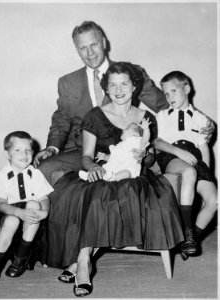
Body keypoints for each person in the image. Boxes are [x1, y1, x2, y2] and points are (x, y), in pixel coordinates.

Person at [47, 62, 185, 297]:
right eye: (112, 85)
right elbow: (87, 157)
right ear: (106, 89)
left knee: (114, 196)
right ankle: (83, 263)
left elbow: (150, 157)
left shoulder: (146, 118)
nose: (118, 90)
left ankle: (80, 263)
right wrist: (94, 169)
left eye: (124, 84)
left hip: (134, 176)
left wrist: (145, 155)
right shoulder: (95, 115)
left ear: (134, 87)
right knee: (95, 194)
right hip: (104, 171)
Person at [33, 20, 171, 184]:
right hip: (82, 151)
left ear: (104, 43)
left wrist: (197, 124)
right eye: (83, 48)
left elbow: (164, 105)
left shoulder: (129, 73)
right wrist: (51, 148)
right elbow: (61, 118)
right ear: (77, 50)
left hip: (123, 150)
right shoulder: (68, 82)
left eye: (94, 44)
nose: (89, 53)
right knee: (43, 169)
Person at [154, 71, 217, 260]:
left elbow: (203, 148)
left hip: (194, 158)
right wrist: (178, 152)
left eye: (173, 91)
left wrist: (207, 175)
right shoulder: (163, 115)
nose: (169, 97)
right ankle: (187, 231)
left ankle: (190, 241)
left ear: (186, 88)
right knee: (189, 171)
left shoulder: (201, 119)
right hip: (171, 157)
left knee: (215, 200)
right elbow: (158, 142)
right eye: (166, 93)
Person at [0, 131, 54, 282]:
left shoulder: (35, 174)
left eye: (28, 150)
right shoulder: (1, 176)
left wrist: (45, 212)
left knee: (35, 203)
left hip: (30, 223)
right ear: (7, 154)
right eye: (18, 150)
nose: (24, 154)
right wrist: (18, 213)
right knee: (12, 220)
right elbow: (1, 204)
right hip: (9, 213)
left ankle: (21, 258)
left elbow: (44, 197)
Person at [79, 119, 150, 182]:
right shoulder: (120, 145)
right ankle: (91, 176)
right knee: (103, 169)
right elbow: (114, 156)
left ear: (135, 134)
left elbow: (145, 140)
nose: (123, 129)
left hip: (128, 168)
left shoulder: (136, 141)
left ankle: (113, 178)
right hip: (114, 167)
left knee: (126, 173)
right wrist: (105, 157)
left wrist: (146, 129)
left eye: (128, 128)